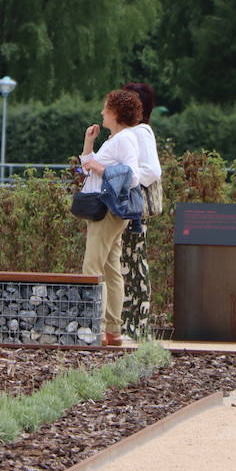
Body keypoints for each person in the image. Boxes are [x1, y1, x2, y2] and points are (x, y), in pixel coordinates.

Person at [79, 89, 145, 347]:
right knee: (110, 268)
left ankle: (94, 328)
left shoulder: (124, 139)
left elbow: (133, 175)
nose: (102, 112)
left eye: (105, 108)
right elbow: (88, 166)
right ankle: (111, 331)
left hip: (107, 210)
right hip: (107, 209)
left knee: (92, 268)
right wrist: (89, 144)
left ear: (116, 112)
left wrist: (100, 167)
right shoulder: (114, 139)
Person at [119, 82, 162, 340]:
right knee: (128, 263)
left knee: (134, 263)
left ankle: (137, 325)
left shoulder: (141, 132)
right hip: (128, 207)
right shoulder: (132, 132)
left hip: (134, 209)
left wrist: (125, 181)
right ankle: (130, 324)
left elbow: (151, 170)